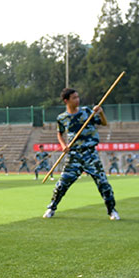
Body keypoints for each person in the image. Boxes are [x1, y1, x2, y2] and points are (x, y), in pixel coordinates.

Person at [42, 88, 118, 219]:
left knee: (103, 184)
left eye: (78, 97)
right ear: (66, 101)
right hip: (74, 156)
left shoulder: (87, 112)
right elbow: (59, 133)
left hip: (90, 154)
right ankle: (51, 208)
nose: (77, 100)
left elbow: (104, 123)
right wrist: (63, 145)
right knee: (62, 184)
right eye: (74, 98)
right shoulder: (62, 118)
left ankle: (112, 211)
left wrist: (101, 112)